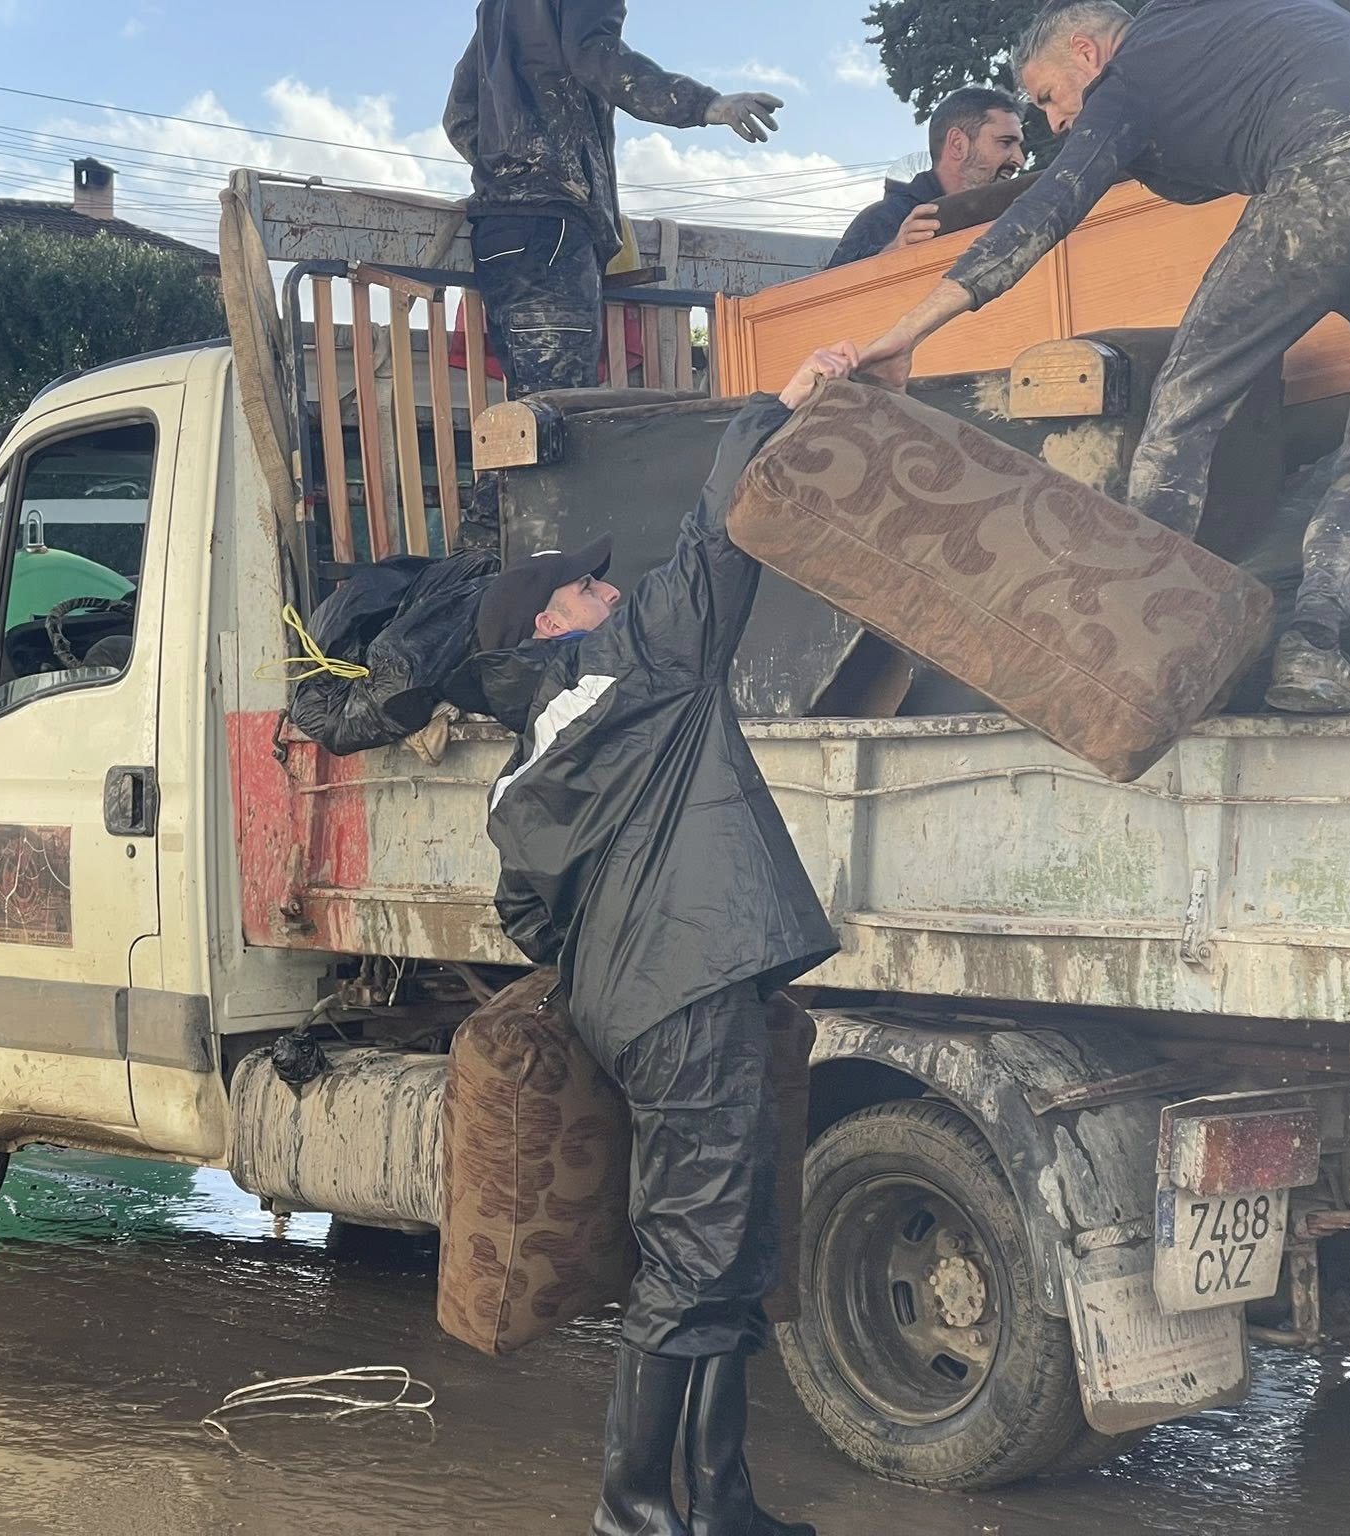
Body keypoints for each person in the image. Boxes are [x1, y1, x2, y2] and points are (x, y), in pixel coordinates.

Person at [850, 0, 1350, 715]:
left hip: (1332, 173)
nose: (1054, 123)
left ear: (1087, 52)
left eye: (1050, 98)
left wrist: (910, 329)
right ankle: (1313, 650)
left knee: (1186, 406)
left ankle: (1136, 647)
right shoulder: (1236, 20)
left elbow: (1047, 210)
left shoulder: (1132, 71)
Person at [482, 346, 856, 1536]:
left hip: (651, 999)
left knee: (727, 1245)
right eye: (588, 587)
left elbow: (526, 916)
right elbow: (713, 543)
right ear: (556, 623)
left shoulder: (527, 765)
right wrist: (777, 406)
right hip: (689, 993)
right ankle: (636, 1509)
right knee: (699, 1256)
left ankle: (716, 1498)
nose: (609, 589)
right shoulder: (638, 668)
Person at [444, 1, 785, 398]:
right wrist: (703, 103)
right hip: (554, 228)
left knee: (532, 411)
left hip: (500, 231)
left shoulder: (496, 8)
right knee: (562, 414)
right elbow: (596, 57)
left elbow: (459, 114)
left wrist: (511, 169)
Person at [826, 87, 1027, 268]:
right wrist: (891, 256)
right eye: (1005, 142)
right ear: (958, 144)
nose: (1020, 159)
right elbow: (827, 299)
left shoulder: (1013, 218)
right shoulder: (882, 219)